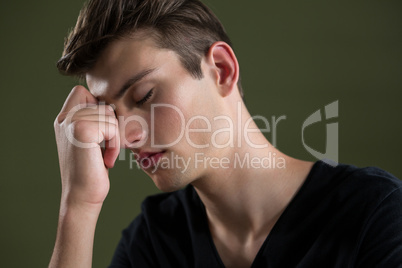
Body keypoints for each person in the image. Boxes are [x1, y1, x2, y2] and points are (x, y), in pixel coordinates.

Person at [49, 0, 402, 267]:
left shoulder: (374, 215)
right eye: (110, 114)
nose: (126, 138)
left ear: (221, 69)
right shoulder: (154, 242)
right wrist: (78, 205)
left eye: (144, 96)